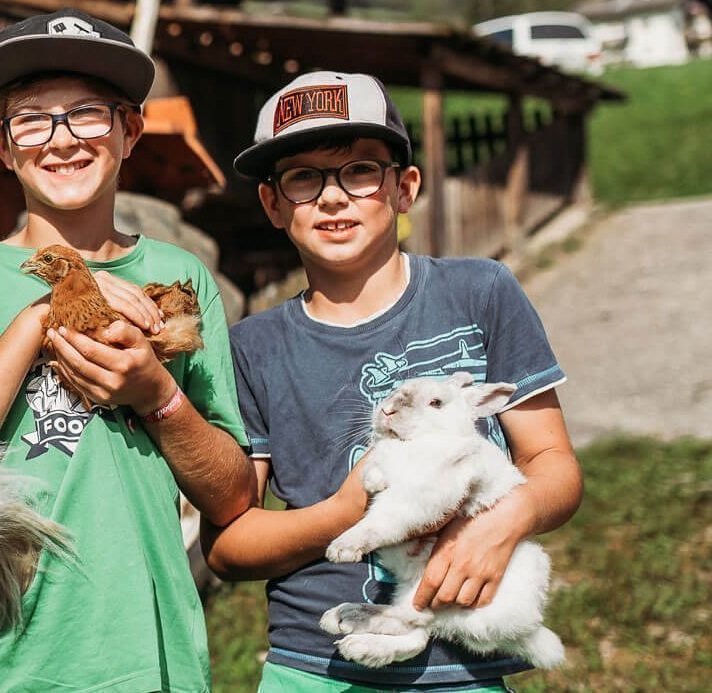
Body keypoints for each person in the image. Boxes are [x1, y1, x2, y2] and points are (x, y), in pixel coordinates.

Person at [0, 8, 254, 692]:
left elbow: (233, 496)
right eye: (33, 119)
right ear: (2, 146)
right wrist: (43, 317)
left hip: (158, 665)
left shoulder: (183, 279)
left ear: (129, 132)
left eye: (87, 114)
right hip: (16, 668)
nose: (62, 139)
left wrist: (156, 393)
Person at [204, 71, 584, 691]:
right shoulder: (251, 348)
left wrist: (498, 525)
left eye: (360, 170)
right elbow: (229, 546)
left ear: (404, 188)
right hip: (314, 664)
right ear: (272, 204)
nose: (332, 197)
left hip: (463, 662)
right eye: (302, 176)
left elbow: (554, 463)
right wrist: (349, 511)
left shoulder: (480, 292)